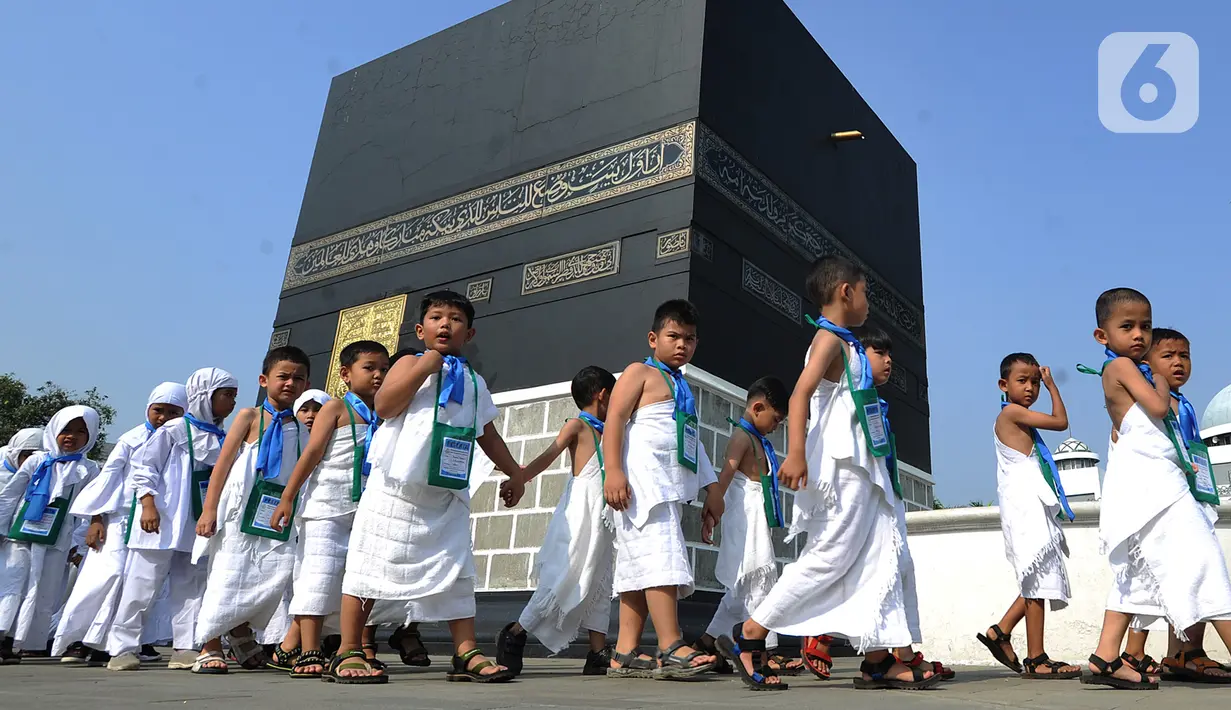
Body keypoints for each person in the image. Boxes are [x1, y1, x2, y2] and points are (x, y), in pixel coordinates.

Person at [715, 256, 937, 691]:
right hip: (843, 471)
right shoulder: (828, 340)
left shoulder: (850, 345)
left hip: (870, 470)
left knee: (887, 557)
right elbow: (800, 395)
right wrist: (795, 453)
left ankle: (879, 658)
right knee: (829, 556)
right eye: (866, 291)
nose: (869, 301)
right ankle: (750, 633)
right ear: (845, 292)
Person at [329, 290, 523, 684]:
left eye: (455, 319)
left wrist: (515, 472)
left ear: (469, 333)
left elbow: (486, 432)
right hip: (395, 490)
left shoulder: (474, 381)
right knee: (368, 563)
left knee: (457, 572)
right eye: (437, 317)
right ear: (421, 329)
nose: (446, 324)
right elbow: (384, 406)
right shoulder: (408, 364)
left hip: (446, 493)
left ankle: (465, 650)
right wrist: (425, 368)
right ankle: (349, 648)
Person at [1080, 288, 1231, 690]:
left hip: (1154, 483)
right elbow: (1159, 408)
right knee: (1207, 563)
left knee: (1139, 576)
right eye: (1126, 326)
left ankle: (1106, 655)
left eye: (1144, 326)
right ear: (1102, 336)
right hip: (1154, 487)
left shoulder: (1135, 371)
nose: (1138, 335)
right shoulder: (1122, 369)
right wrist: (1161, 383)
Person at [602, 299, 720, 680]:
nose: (682, 344)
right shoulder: (640, 373)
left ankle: (624, 653)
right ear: (654, 338)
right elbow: (615, 419)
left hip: (664, 488)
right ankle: (670, 643)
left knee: (640, 569)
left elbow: (692, 443)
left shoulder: (682, 387)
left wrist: (712, 489)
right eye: (673, 336)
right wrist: (614, 471)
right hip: (640, 487)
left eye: (690, 338)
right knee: (659, 561)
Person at [267, 340, 390, 678]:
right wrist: (288, 497)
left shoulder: (387, 411)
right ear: (345, 374)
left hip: (368, 510)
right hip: (325, 508)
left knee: (360, 581)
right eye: (370, 368)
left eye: (384, 368)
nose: (379, 375)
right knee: (318, 577)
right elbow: (311, 455)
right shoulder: (336, 409)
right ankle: (308, 650)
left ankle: (348, 647)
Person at [101, 369, 238, 673]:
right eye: (226, 395)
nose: (232, 402)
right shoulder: (174, 430)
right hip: (160, 520)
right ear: (205, 395)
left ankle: (185, 647)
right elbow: (144, 468)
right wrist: (147, 504)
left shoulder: (224, 438)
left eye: (233, 396)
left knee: (191, 587)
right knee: (142, 585)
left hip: (196, 524)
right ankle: (123, 647)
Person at [1121, 328, 1231, 683]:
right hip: (1167, 502)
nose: (1178, 362)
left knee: (1189, 576)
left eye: (1184, 355)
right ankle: (1137, 652)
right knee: (1201, 569)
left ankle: (1184, 651)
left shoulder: (1183, 404)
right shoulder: (1149, 406)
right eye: (1167, 356)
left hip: (1193, 496)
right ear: (1147, 363)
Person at [495, 365, 618, 676]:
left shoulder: (613, 432)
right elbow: (548, 455)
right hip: (579, 514)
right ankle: (515, 633)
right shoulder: (577, 426)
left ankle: (597, 651)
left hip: (606, 516)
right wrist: (520, 478)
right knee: (565, 574)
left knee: (601, 578)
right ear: (602, 396)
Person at [55, 382, 188, 667]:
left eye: (173, 412)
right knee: (107, 577)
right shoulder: (132, 439)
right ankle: (78, 638)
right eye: (158, 410)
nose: (164, 418)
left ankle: (114, 645)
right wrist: (96, 519)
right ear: (148, 409)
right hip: (119, 518)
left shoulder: (183, 441)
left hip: (155, 524)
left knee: (138, 586)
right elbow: (109, 478)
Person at [193, 348, 309, 673]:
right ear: (264, 380)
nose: (290, 383)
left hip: (273, 516)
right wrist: (209, 509)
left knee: (269, 574)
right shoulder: (250, 417)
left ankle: (240, 629)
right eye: (283, 376)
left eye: (297, 378)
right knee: (227, 573)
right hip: (237, 512)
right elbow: (223, 466)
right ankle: (209, 644)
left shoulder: (302, 429)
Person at [975, 353, 1080, 679]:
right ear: (1003, 385)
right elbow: (1061, 422)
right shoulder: (1012, 413)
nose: (1031, 387)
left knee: (1041, 575)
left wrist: (1046, 385)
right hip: (1024, 505)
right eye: (1023, 381)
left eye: (1036, 381)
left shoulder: (1021, 417)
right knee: (1037, 578)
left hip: (1029, 502)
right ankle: (1036, 657)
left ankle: (1001, 631)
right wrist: (1053, 387)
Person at [695, 376, 798, 677]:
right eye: (776, 420)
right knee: (758, 578)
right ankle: (765, 651)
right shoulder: (741, 438)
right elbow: (723, 479)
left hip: (756, 515)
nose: (777, 426)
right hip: (745, 517)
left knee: (743, 587)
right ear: (757, 407)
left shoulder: (758, 441)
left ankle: (707, 642)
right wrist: (711, 514)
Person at [0, 406, 101, 663]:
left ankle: (18, 643)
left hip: (57, 540)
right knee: (13, 585)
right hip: (20, 535)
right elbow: (11, 494)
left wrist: (79, 542)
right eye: (66, 430)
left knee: (43, 591)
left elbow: (91, 508)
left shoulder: (88, 469)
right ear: (54, 430)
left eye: (81, 432)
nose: (72, 437)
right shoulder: (37, 461)